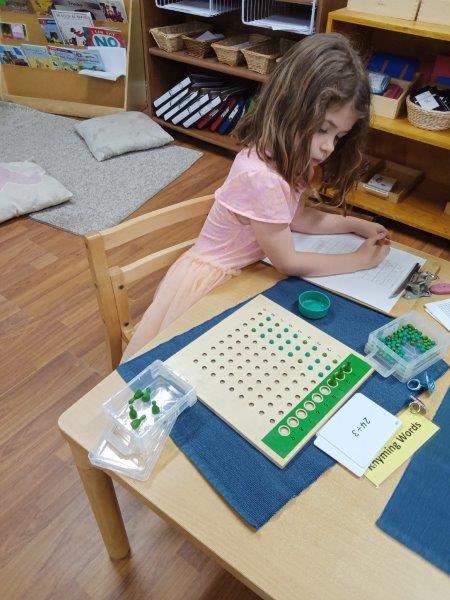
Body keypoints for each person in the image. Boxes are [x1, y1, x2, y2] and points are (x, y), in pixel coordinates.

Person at [121, 33, 390, 362]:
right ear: (289, 107)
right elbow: (288, 262)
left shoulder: (293, 159)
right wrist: (358, 261)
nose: (328, 147)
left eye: (339, 135)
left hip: (247, 272)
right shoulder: (262, 178)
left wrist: (354, 225)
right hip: (213, 285)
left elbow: (298, 218)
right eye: (323, 129)